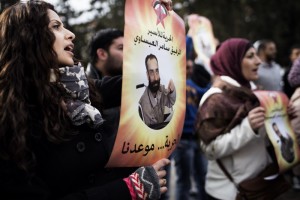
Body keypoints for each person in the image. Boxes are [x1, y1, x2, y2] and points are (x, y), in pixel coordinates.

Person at [0, 1, 172, 199]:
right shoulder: (11, 117)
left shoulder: (81, 89)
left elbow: (147, 78)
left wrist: (154, 18)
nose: (70, 34)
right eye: (56, 27)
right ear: (28, 37)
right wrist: (130, 189)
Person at [195, 38, 290, 200]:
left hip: (258, 185)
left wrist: (284, 117)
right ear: (232, 61)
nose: (258, 61)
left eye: (256, 55)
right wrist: (248, 127)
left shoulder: (251, 93)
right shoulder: (214, 100)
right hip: (229, 192)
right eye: (250, 56)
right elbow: (210, 150)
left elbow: (265, 139)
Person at [172, 36, 209, 200]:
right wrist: (186, 41)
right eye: (186, 66)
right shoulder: (174, 84)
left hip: (196, 138)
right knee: (184, 181)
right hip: (182, 141)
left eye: (191, 67)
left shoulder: (193, 85)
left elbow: (206, 93)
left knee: (202, 176)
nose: (190, 69)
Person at [138, 54, 176, 129]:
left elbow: (170, 103)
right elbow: (154, 129)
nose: (155, 78)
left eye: (157, 71)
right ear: (147, 75)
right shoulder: (144, 102)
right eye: (151, 72)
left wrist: (172, 91)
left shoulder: (161, 89)